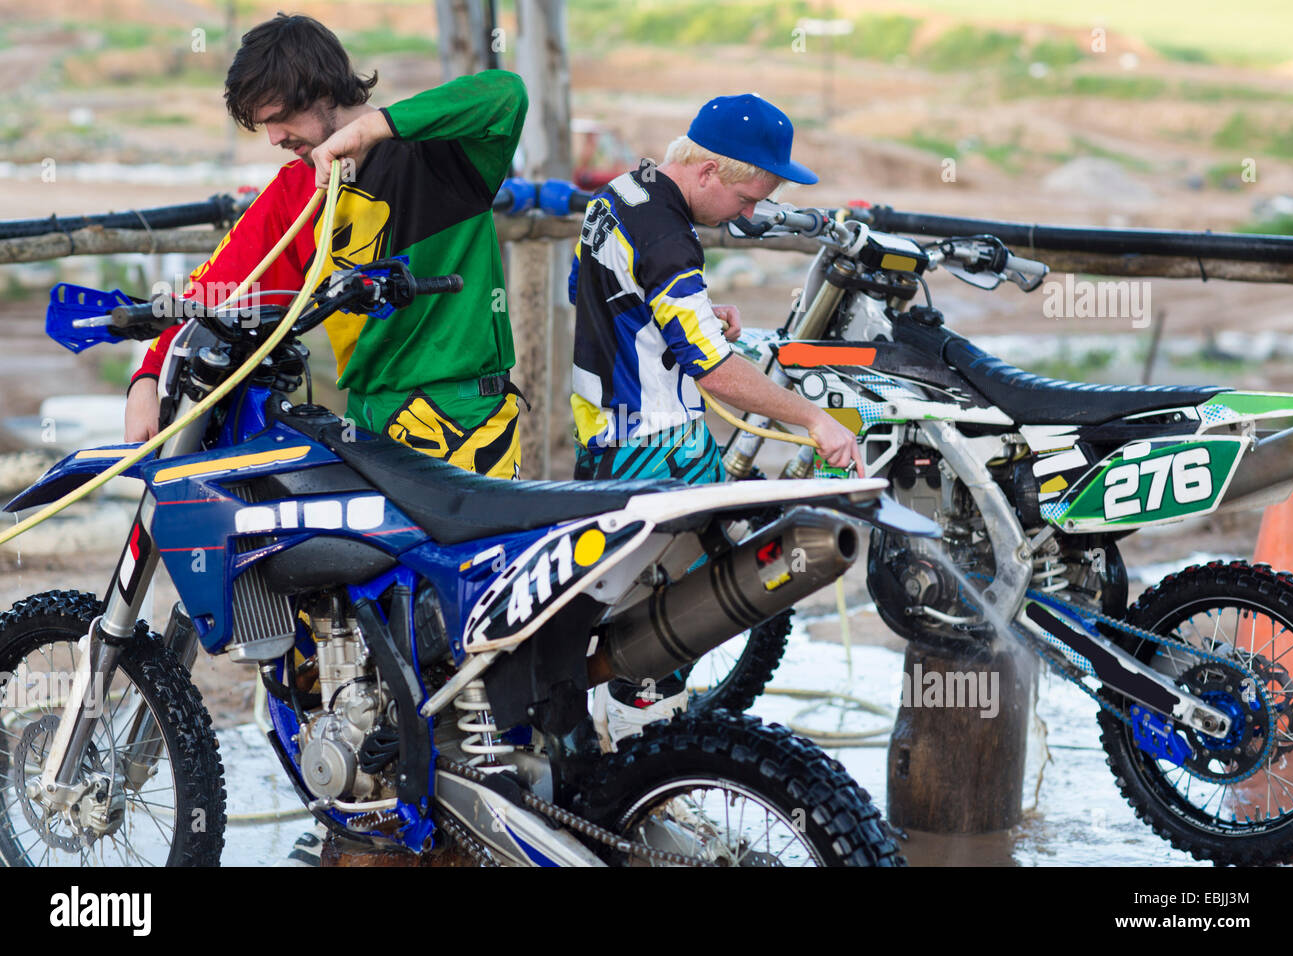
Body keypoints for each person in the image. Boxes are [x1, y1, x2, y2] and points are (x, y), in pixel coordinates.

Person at [569, 92, 865, 748]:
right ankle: (651, 777)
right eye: (748, 199)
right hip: (659, 445)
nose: (750, 215)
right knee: (669, 628)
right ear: (709, 172)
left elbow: (595, 292)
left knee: (608, 610)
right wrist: (815, 419)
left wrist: (697, 308)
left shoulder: (622, 191)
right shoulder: (672, 238)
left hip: (602, 434)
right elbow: (716, 372)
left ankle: (596, 751)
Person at [125, 13, 528, 478]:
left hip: (466, 420)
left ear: (321, 90)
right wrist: (147, 377)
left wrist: (371, 129)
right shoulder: (294, 192)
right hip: (365, 425)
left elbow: (507, 93)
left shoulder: (441, 152)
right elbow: (215, 289)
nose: (274, 138)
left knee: (468, 553)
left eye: (278, 119)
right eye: (264, 126)